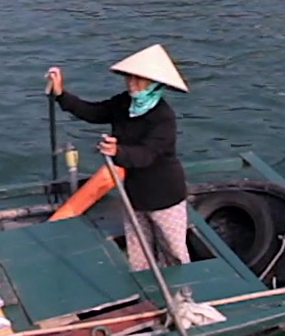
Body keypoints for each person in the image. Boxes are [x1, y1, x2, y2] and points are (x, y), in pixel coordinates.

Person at [44, 45, 191, 271]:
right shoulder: (124, 103)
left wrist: (118, 151)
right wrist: (61, 95)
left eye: (139, 79)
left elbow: (148, 154)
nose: (131, 83)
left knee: (174, 253)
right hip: (134, 195)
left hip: (165, 197)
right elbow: (94, 112)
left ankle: (182, 290)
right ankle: (145, 290)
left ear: (154, 84)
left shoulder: (163, 117)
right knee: (139, 255)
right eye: (129, 77)